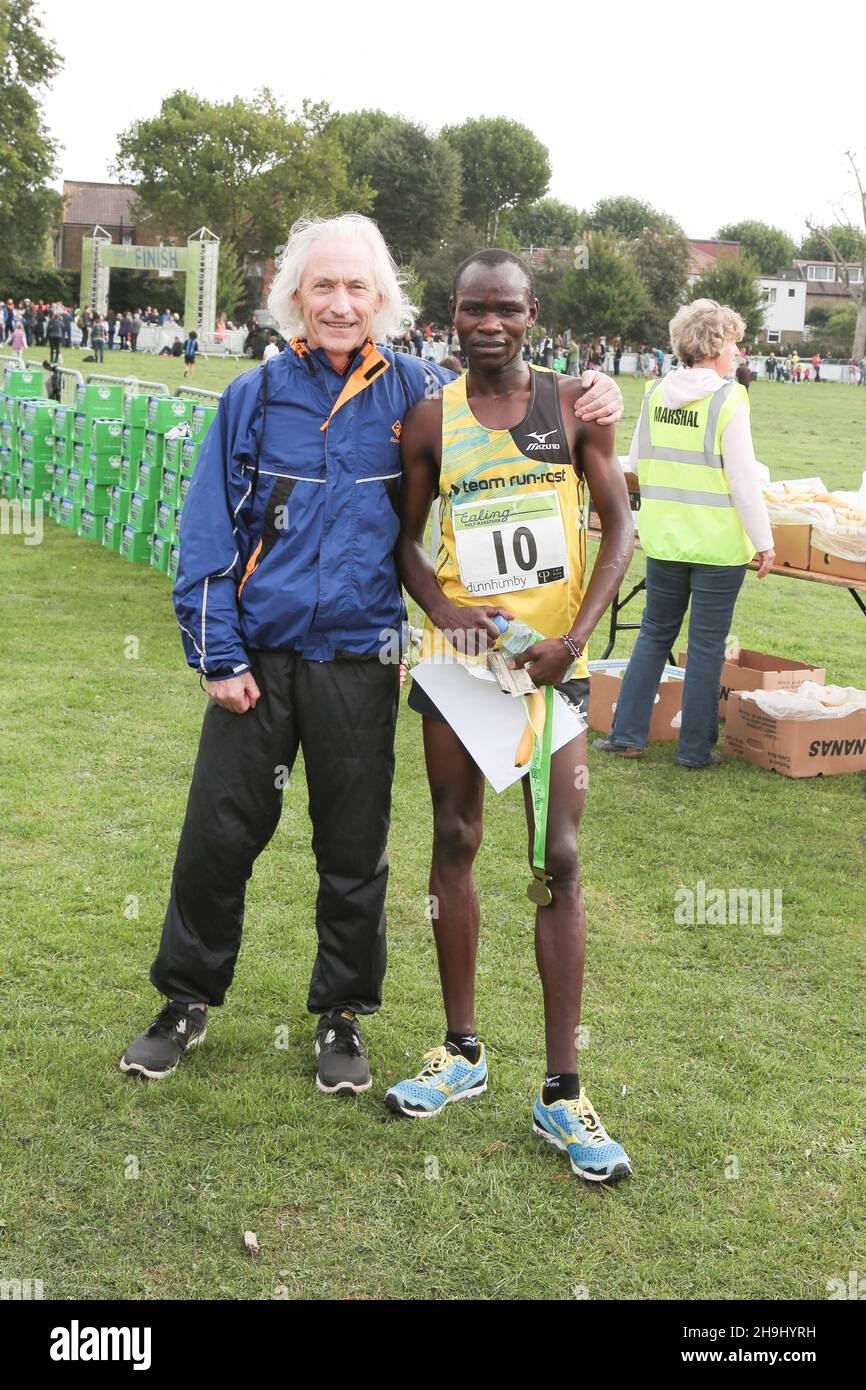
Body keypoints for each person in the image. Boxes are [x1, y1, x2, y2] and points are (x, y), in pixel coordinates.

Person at [118, 214, 625, 1092]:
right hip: (260, 656)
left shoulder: (421, 393)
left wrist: (598, 393)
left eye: (358, 288)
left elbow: (514, 397)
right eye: (323, 286)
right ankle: (185, 999)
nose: (341, 303)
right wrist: (218, 655)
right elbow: (205, 529)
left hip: (360, 656)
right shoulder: (255, 394)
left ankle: (342, 1015)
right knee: (217, 835)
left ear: (383, 301)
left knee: (354, 847)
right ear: (295, 298)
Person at [387, 249, 635, 1184]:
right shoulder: (427, 418)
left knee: (557, 858)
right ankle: (462, 1051)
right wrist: (443, 613)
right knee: (453, 837)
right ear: (453, 314)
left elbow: (619, 526)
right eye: (473, 309)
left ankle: (563, 1090)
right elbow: (404, 541)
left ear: (534, 314)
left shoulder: (574, 406)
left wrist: (574, 641)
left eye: (508, 309)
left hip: (553, 665)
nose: (489, 324)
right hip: (460, 664)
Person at [595, 298, 775, 769]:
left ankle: (627, 734)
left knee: (654, 635)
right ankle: (695, 750)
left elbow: (635, 462)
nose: (738, 353)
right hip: (717, 546)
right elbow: (742, 481)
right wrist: (765, 542)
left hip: (664, 538)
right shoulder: (728, 397)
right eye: (734, 343)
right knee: (706, 646)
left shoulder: (655, 393)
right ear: (716, 345)